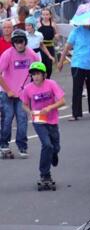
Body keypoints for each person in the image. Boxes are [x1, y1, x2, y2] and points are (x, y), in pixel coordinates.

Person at [20, 61, 65, 189]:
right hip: (39, 121)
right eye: (33, 74)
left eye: (38, 74)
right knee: (46, 144)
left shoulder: (51, 84)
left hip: (52, 119)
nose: (36, 77)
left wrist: (51, 107)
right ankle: (45, 173)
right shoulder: (28, 88)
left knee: (55, 147)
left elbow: (62, 101)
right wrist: (30, 112)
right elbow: (23, 104)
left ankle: (53, 154)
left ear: (44, 75)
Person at [0, 29, 40, 158]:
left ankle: (22, 146)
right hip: (7, 93)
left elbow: (38, 73)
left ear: (25, 42)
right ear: (13, 43)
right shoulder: (7, 55)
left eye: (21, 41)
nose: (19, 44)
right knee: (7, 119)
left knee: (22, 120)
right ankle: (4, 145)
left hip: (23, 95)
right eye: (16, 42)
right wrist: (8, 90)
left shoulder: (32, 55)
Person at [59, 24, 90, 121]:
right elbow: (67, 47)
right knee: (77, 89)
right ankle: (76, 113)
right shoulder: (76, 31)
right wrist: (61, 62)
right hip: (78, 63)